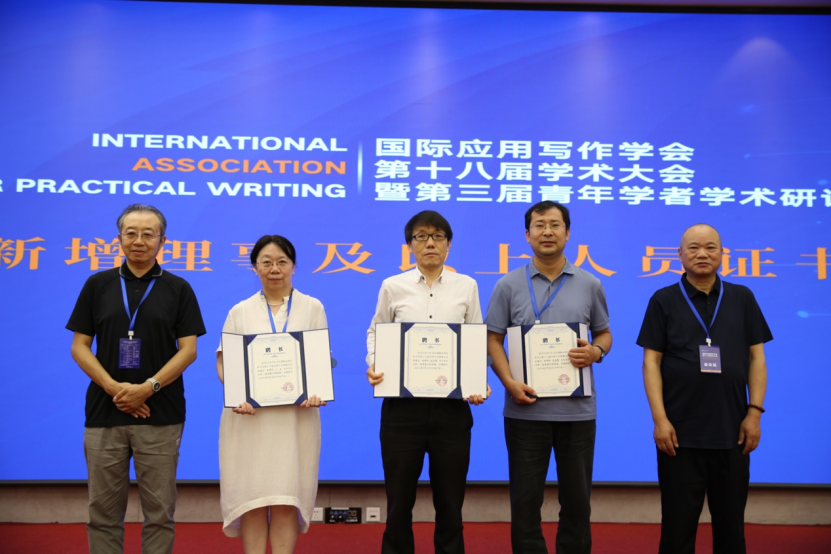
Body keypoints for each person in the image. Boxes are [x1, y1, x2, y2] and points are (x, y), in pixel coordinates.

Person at [66, 204, 206, 554]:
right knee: (102, 513)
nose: (139, 240)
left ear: (162, 240)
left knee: (159, 513)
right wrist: (115, 388)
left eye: (148, 234)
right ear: (119, 238)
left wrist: (147, 388)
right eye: (131, 233)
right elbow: (80, 346)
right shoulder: (97, 284)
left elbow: (188, 350)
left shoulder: (178, 288)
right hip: (105, 410)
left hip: (160, 413)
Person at [485, 200, 612, 554]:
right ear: (527, 235)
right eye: (539, 225)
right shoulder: (508, 285)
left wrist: (596, 352)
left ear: (567, 233)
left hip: (578, 413)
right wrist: (509, 382)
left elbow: (604, 334)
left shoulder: (589, 283)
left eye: (555, 225)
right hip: (525, 411)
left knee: (577, 502)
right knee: (525, 503)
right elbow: (492, 340)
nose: (547, 232)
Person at [637, 224, 771, 554]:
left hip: (733, 433)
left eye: (710, 247)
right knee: (677, 529)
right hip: (679, 436)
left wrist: (754, 413)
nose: (702, 254)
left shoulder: (742, 298)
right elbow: (651, 363)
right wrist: (660, 420)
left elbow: (757, 358)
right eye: (693, 248)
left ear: (722, 254)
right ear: (680, 255)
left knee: (731, 529)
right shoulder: (664, 300)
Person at [366, 210, 489, 554]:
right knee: (398, 504)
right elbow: (376, 331)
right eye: (421, 236)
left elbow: (475, 338)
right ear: (410, 245)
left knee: (450, 504)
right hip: (402, 411)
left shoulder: (467, 286)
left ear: (448, 245)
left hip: (452, 412)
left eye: (437, 236)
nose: (430, 243)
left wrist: (477, 380)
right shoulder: (393, 286)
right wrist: (374, 363)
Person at [216, 235, 328, 554]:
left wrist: (317, 391)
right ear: (255, 268)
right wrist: (237, 393)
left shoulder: (312, 307)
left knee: (285, 498)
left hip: (295, 419)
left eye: (281, 261)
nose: (274, 268)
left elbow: (319, 360)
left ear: (293, 266)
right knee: (253, 499)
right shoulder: (240, 311)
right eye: (266, 262)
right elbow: (223, 362)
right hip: (249, 419)